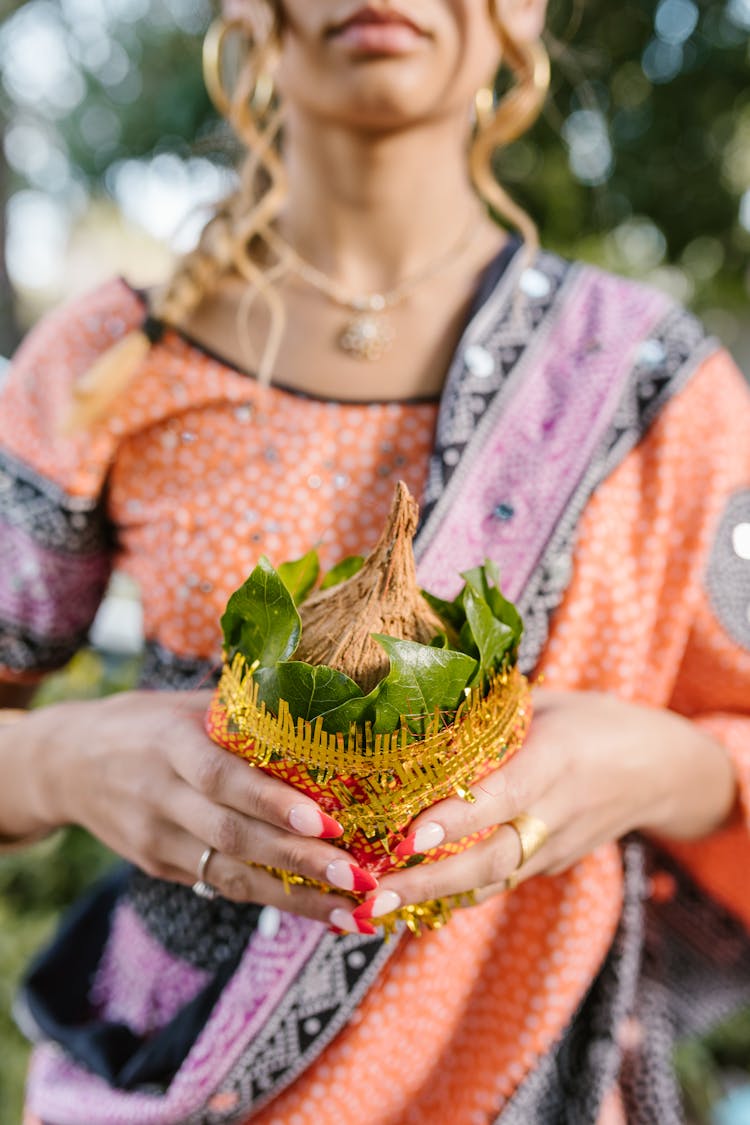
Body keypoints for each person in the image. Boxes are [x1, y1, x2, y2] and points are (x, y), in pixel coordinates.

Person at [1, 1, 749, 1121]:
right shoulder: (112, 361)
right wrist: (58, 762)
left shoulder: (657, 392)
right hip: (182, 1078)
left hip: (528, 1079)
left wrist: (655, 766)